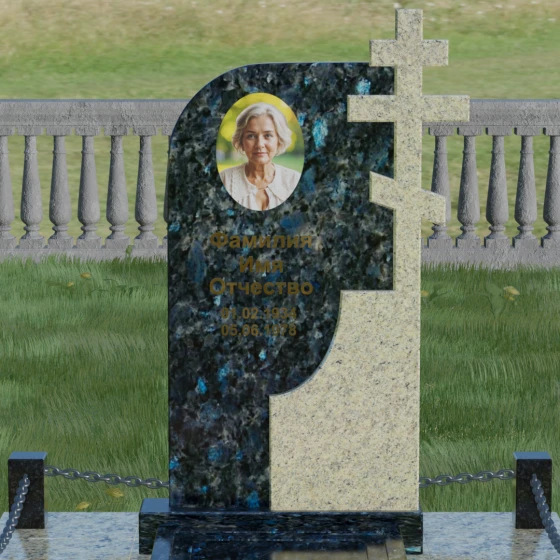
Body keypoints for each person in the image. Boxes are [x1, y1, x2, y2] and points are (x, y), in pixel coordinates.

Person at [219, 102, 301, 211]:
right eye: (251, 136)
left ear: (279, 140)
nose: (259, 144)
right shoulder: (225, 179)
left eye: (268, 135)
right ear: (241, 141)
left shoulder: (294, 180)